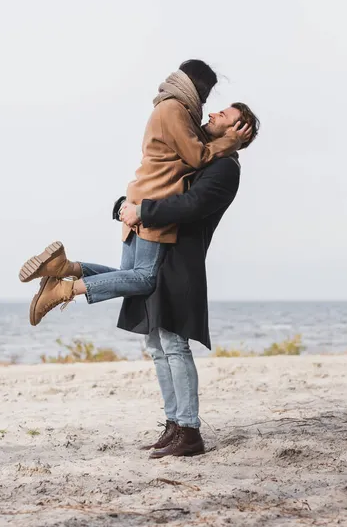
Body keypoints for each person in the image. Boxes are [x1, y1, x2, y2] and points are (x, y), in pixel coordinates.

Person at [19, 60, 252, 326]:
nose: (209, 108)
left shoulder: (172, 107)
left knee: (129, 274)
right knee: (144, 278)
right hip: (153, 199)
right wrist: (231, 141)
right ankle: (64, 289)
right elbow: (198, 156)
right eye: (208, 94)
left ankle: (66, 268)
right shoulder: (175, 109)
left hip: (141, 198)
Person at [117, 102, 260, 458]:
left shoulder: (225, 169)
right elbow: (164, 184)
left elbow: (191, 206)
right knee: (155, 344)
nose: (211, 114)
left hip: (181, 262)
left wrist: (143, 212)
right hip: (158, 250)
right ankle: (174, 423)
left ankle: (190, 431)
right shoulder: (201, 157)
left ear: (238, 131)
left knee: (174, 343)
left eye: (223, 116)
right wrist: (125, 204)